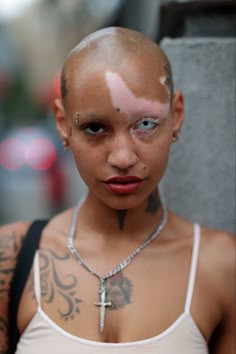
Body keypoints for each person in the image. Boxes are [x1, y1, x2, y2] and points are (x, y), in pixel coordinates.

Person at [0, 27, 235, 354]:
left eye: (147, 124)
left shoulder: (223, 265)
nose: (123, 157)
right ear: (63, 125)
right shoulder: (10, 258)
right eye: (95, 128)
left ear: (176, 117)